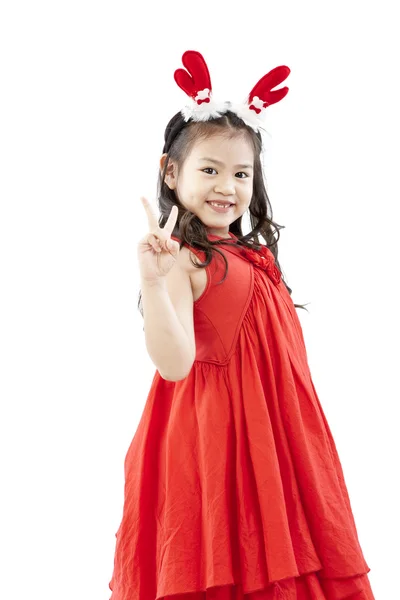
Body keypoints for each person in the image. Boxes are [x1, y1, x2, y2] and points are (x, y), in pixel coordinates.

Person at [108, 51, 375, 600]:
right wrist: (156, 283)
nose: (226, 186)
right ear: (172, 171)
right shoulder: (182, 258)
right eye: (209, 169)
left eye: (241, 173)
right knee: (229, 560)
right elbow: (174, 361)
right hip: (216, 442)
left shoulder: (254, 255)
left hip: (278, 441)